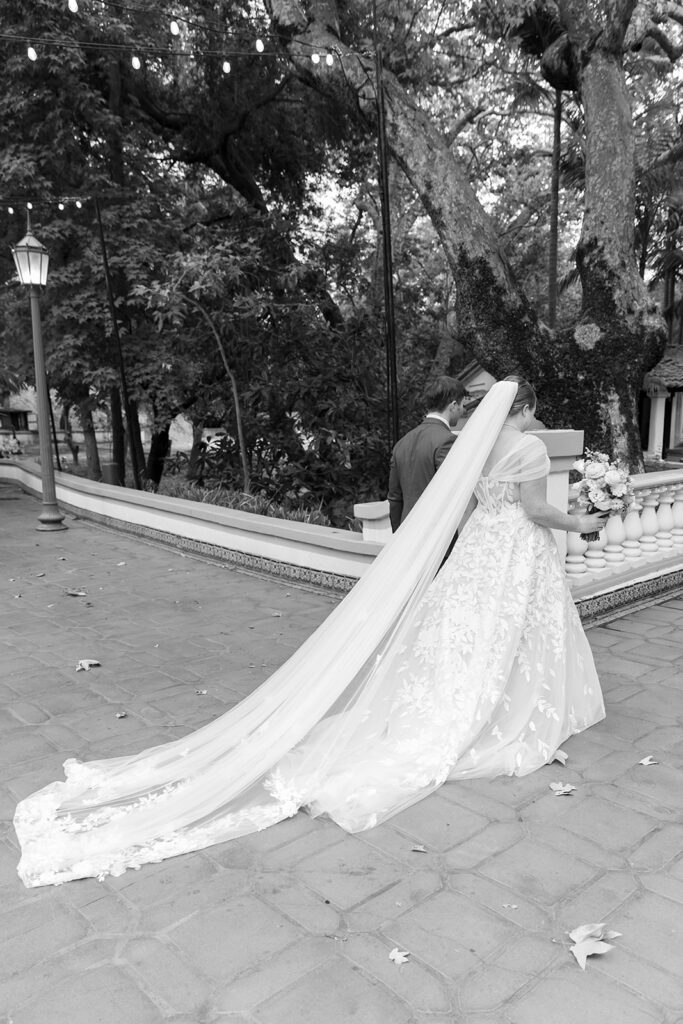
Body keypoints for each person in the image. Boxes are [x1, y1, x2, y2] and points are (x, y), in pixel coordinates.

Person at [14, 378, 608, 887]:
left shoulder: (473, 447)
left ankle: (469, 695)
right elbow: (535, 510)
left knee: (466, 631)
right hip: (515, 549)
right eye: (533, 409)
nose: (536, 418)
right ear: (523, 408)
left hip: (479, 549)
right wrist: (581, 516)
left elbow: (466, 505)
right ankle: (504, 704)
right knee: (515, 628)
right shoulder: (528, 446)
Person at [388, 376, 466, 531]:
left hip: (407, 534)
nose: (463, 410)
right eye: (462, 405)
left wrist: (397, 540)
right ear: (454, 405)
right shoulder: (447, 441)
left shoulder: (402, 443)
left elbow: (395, 499)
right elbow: (453, 493)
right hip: (436, 536)